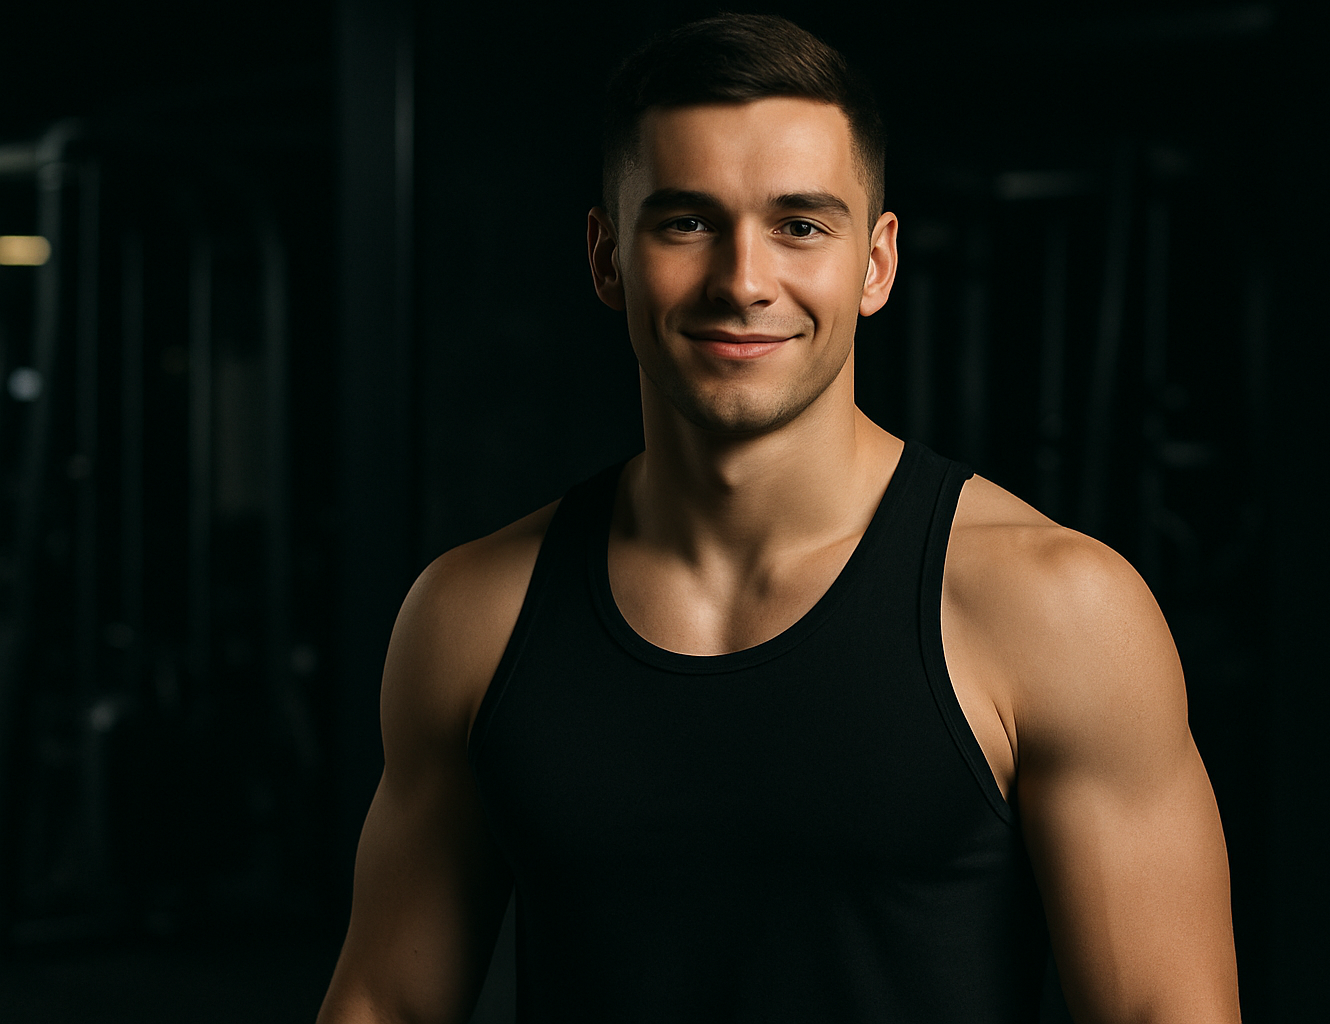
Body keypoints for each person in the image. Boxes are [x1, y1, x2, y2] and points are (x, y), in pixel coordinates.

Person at [317, 13, 1240, 1024]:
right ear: (606, 257)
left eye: (800, 225)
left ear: (875, 264)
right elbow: (385, 1001)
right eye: (686, 223)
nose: (743, 282)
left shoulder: (1058, 611)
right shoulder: (473, 616)